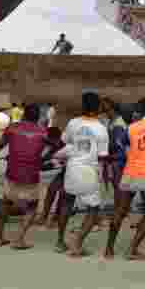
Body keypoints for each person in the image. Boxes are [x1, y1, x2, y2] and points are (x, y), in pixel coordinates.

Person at [104, 97, 145, 261]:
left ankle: (109, 249)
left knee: (120, 211)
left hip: (130, 172)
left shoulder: (131, 127)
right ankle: (132, 249)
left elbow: (122, 144)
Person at [54, 91, 109, 257]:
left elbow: (64, 142)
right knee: (93, 210)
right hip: (89, 171)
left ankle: (60, 241)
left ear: (83, 106)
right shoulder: (101, 129)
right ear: (99, 107)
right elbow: (102, 156)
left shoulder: (73, 123)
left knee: (66, 204)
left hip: (72, 169)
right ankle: (77, 244)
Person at [0, 104, 48, 249]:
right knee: (32, 206)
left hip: (12, 173)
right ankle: (19, 239)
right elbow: (53, 148)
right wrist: (43, 160)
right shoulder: (43, 132)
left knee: (6, 203)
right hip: (31, 174)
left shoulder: (12, 128)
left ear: (23, 114)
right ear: (38, 117)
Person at [34, 126, 66, 226]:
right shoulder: (55, 144)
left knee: (62, 193)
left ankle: (57, 218)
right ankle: (44, 215)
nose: (46, 142)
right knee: (51, 190)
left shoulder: (63, 146)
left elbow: (53, 164)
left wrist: (39, 167)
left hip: (73, 170)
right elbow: (45, 158)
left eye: (48, 139)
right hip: (65, 170)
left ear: (54, 138)